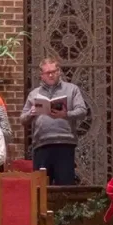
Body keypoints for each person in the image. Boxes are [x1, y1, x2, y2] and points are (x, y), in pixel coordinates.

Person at [20, 57, 87, 186]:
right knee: (41, 188)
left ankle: (64, 207)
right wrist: (31, 113)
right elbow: (23, 119)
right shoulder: (34, 94)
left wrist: (65, 114)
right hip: (41, 145)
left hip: (64, 143)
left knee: (65, 185)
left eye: (54, 71)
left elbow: (82, 111)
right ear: (42, 75)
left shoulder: (72, 89)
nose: (51, 75)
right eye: (47, 73)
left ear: (59, 72)